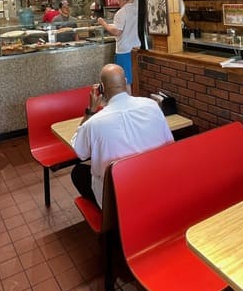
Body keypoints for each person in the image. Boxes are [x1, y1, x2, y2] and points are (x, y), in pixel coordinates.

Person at [70, 63, 173, 207]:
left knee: (78, 173)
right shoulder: (152, 106)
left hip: (116, 198)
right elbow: (170, 142)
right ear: (125, 83)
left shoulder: (94, 123)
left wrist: (91, 110)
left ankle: (110, 222)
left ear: (102, 88)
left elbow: (79, 151)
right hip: (155, 183)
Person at [97, 0, 139, 86]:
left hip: (124, 50)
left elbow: (117, 32)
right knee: (135, 77)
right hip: (136, 48)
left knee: (126, 80)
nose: (117, 1)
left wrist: (103, 23)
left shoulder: (120, 13)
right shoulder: (136, 8)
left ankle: (128, 100)